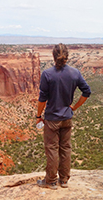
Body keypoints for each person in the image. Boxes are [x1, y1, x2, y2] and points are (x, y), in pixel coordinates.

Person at [35, 43, 91, 189]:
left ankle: (51, 181)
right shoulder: (75, 73)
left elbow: (42, 99)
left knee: (52, 149)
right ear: (67, 56)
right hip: (67, 118)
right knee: (65, 148)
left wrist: (38, 116)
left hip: (52, 119)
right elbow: (87, 92)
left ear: (53, 56)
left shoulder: (47, 74)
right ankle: (64, 180)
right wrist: (74, 107)